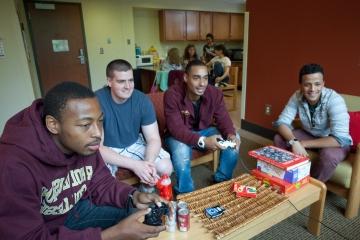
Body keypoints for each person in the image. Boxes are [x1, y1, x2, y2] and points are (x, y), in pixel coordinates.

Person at [0, 82, 167, 239]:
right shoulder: (13, 165)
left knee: (144, 216)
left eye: (100, 121)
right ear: (53, 125)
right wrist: (110, 235)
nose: (97, 134)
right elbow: (29, 237)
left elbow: (102, 183)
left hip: (78, 209)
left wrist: (133, 195)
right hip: (45, 227)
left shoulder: (85, 144)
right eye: (85, 124)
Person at [164, 60, 240, 193]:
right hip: (178, 135)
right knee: (181, 150)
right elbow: (176, 129)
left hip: (204, 130)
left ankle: (222, 178)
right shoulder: (172, 94)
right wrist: (202, 141)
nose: (202, 83)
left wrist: (231, 135)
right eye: (196, 78)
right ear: (186, 78)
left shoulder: (214, 93)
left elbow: (224, 119)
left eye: (205, 78)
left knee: (233, 141)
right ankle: (185, 191)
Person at [96, 59, 173, 192]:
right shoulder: (96, 101)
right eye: (121, 81)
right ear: (109, 81)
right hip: (107, 147)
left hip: (133, 142)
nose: (128, 86)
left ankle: (145, 193)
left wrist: (147, 164)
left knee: (165, 167)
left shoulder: (142, 100)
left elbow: (153, 139)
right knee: (102, 179)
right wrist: (135, 165)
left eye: (130, 80)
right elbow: (99, 148)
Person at [273, 63, 352, 182]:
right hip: (310, 134)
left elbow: (340, 139)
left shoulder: (335, 100)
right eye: (307, 85)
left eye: (317, 84)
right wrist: (294, 142)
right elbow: (281, 122)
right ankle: (289, 174)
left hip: (332, 140)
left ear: (323, 84)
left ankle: (310, 184)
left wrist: (302, 144)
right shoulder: (297, 96)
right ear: (301, 85)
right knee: (279, 138)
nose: (312, 89)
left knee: (329, 157)